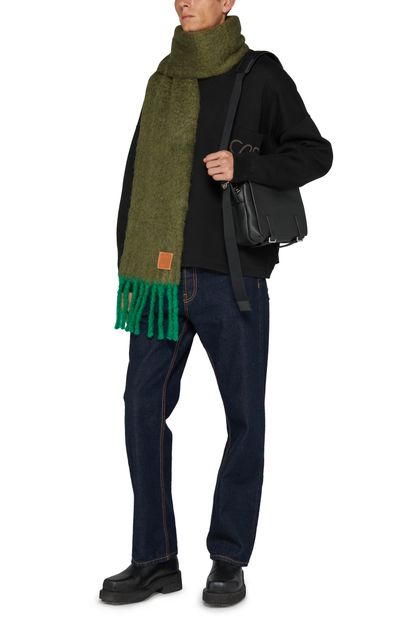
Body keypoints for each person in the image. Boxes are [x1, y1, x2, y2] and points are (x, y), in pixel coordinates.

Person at [99, 0, 333, 607]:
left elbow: (316, 153)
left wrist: (246, 165)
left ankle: (228, 558)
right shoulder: (164, 79)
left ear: (227, 1)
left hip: (232, 281)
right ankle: (154, 558)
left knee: (243, 418)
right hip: (158, 282)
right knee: (141, 409)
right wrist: (128, 259)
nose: (185, 1)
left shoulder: (260, 72)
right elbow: (136, 175)